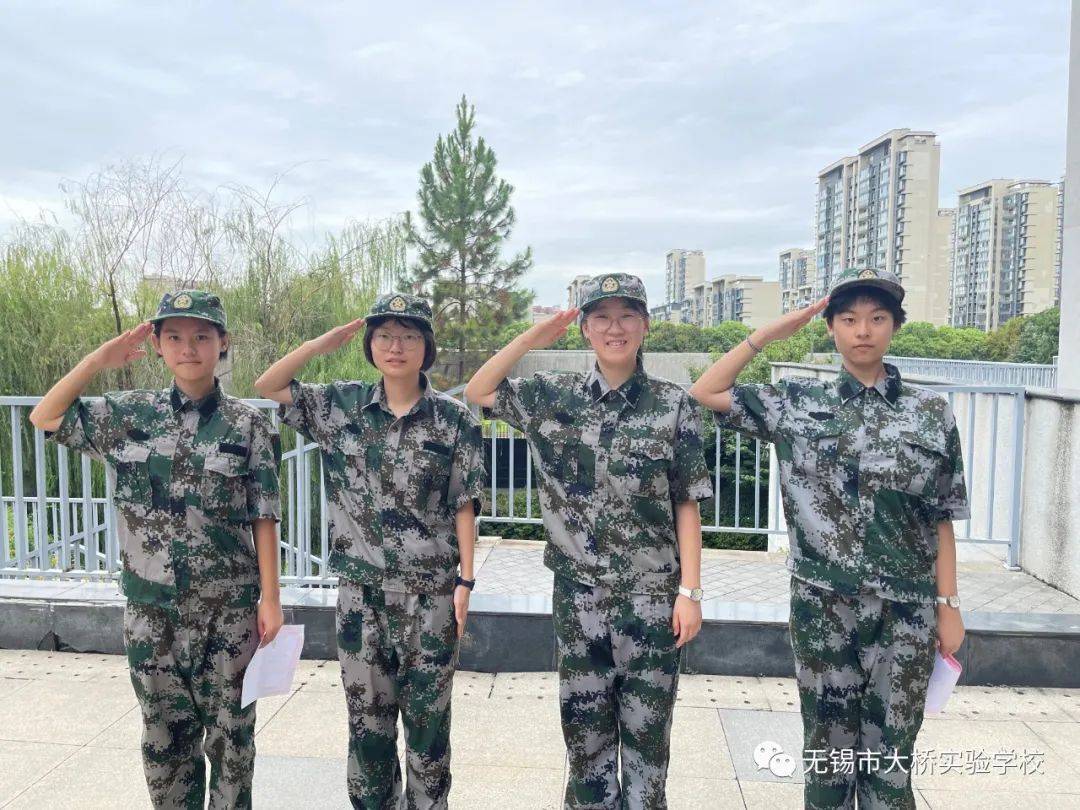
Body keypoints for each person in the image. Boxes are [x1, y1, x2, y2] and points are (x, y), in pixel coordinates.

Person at [689, 267, 969, 810]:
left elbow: (941, 516)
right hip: (824, 608)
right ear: (831, 327)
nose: (863, 330)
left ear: (895, 326)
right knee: (828, 757)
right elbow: (706, 390)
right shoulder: (795, 401)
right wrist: (769, 333)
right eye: (849, 318)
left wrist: (949, 606)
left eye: (877, 318)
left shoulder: (930, 412)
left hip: (906, 612)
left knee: (891, 765)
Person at [465, 273, 713, 810]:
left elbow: (686, 502)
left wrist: (690, 592)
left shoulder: (673, 405)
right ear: (584, 328)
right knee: (586, 744)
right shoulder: (551, 396)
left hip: (652, 600)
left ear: (645, 326)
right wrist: (532, 337)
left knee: (648, 744)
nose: (614, 328)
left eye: (627, 316)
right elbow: (478, 390)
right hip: (579, 599)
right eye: (601, 317)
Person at [29, 290, 283, 809]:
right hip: (152, 614)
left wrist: (271, 600)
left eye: (202, 336)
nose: (189, 348)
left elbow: (264, 515)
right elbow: (45, 416)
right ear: (159, 346)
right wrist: (98, 361)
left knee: (233, 744)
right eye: (175, 337)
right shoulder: (127, 415)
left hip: (228, 615)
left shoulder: (249, 424)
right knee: (164, 746)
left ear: (223, 343)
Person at [254, 292, 484, 810]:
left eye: (409, 336)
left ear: (426, 346)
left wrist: (466, 581)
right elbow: (267, 385)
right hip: (361, 598)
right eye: (384, 336)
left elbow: (464, 503)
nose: (396, 347)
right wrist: (318, 345)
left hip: (430, 597)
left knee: (428, 730)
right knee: (367, 729)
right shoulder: (340, 406)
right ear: (369, 344)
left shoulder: (454, 420)